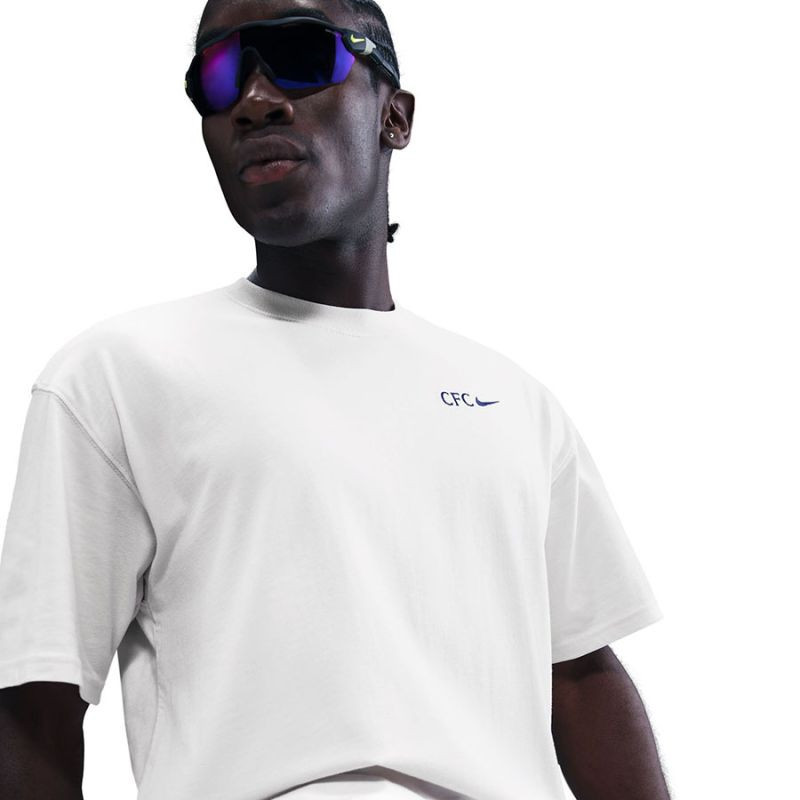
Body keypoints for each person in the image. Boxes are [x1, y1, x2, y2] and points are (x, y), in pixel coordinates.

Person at [0, 1, 672, 799]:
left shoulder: (513, 401)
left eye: (301, 55)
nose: (254, 100)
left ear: (395, 117)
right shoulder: (118, 374)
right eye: (218, 76)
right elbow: (37, 701)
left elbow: (584, 677)